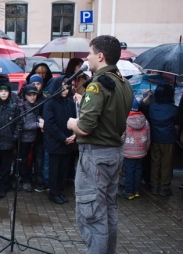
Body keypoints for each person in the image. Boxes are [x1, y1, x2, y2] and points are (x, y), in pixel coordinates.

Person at [67, 35, 133, 254]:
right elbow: (109, 112)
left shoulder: (97, 86)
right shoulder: (123, 83)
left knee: (92, 215)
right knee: (108, 212)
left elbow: (85, 127)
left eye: (90, 53)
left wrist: (72, 123)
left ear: (100, 56)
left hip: (95, 156)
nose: (87, 57)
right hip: (114, 153)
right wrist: (84, 99)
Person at [42, 75, 76, 204]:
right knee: (54, 169)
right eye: (63, 86)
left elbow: (74, 120)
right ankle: (54, 192)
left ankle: (60, 191)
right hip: (55, 142)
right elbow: (49, 124)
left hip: (68, 142)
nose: (66, 90)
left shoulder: (70, 103)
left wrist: (73, 135)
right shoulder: (50, 103)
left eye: (68, 87)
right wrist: (63, 138)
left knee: (63, 169)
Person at [144, 84, 179, 196]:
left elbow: (142, 104)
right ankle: (164, 187)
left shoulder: (152, 107)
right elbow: (177, 125)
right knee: (167, 164)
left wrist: (149, 96)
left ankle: (155, 186)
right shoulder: (174, 109)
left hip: (155, 138)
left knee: (155, 162)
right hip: (168, 139)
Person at [120, 99, 150, 200]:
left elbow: (122, 137)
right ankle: (136, 191)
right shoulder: (145, 121)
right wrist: (146, 149)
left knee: (129, 171)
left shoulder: (126, 121)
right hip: (141, 152)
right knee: (138, 170)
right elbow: (148, 138)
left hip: (128, 152)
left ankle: (128, 192)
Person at [17, 84, 44, 192]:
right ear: (25, 96)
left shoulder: (35, 105)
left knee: (30, 160)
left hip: (33, 139)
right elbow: (24, 125)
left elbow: (35, 116)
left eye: (34, 95)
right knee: (23, 160)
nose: (32, 97)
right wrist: (38, 124)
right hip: (24, 140)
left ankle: (26, 178)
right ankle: (25, 180)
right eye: (29, 95)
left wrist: (40, 119)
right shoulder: (22, 107)